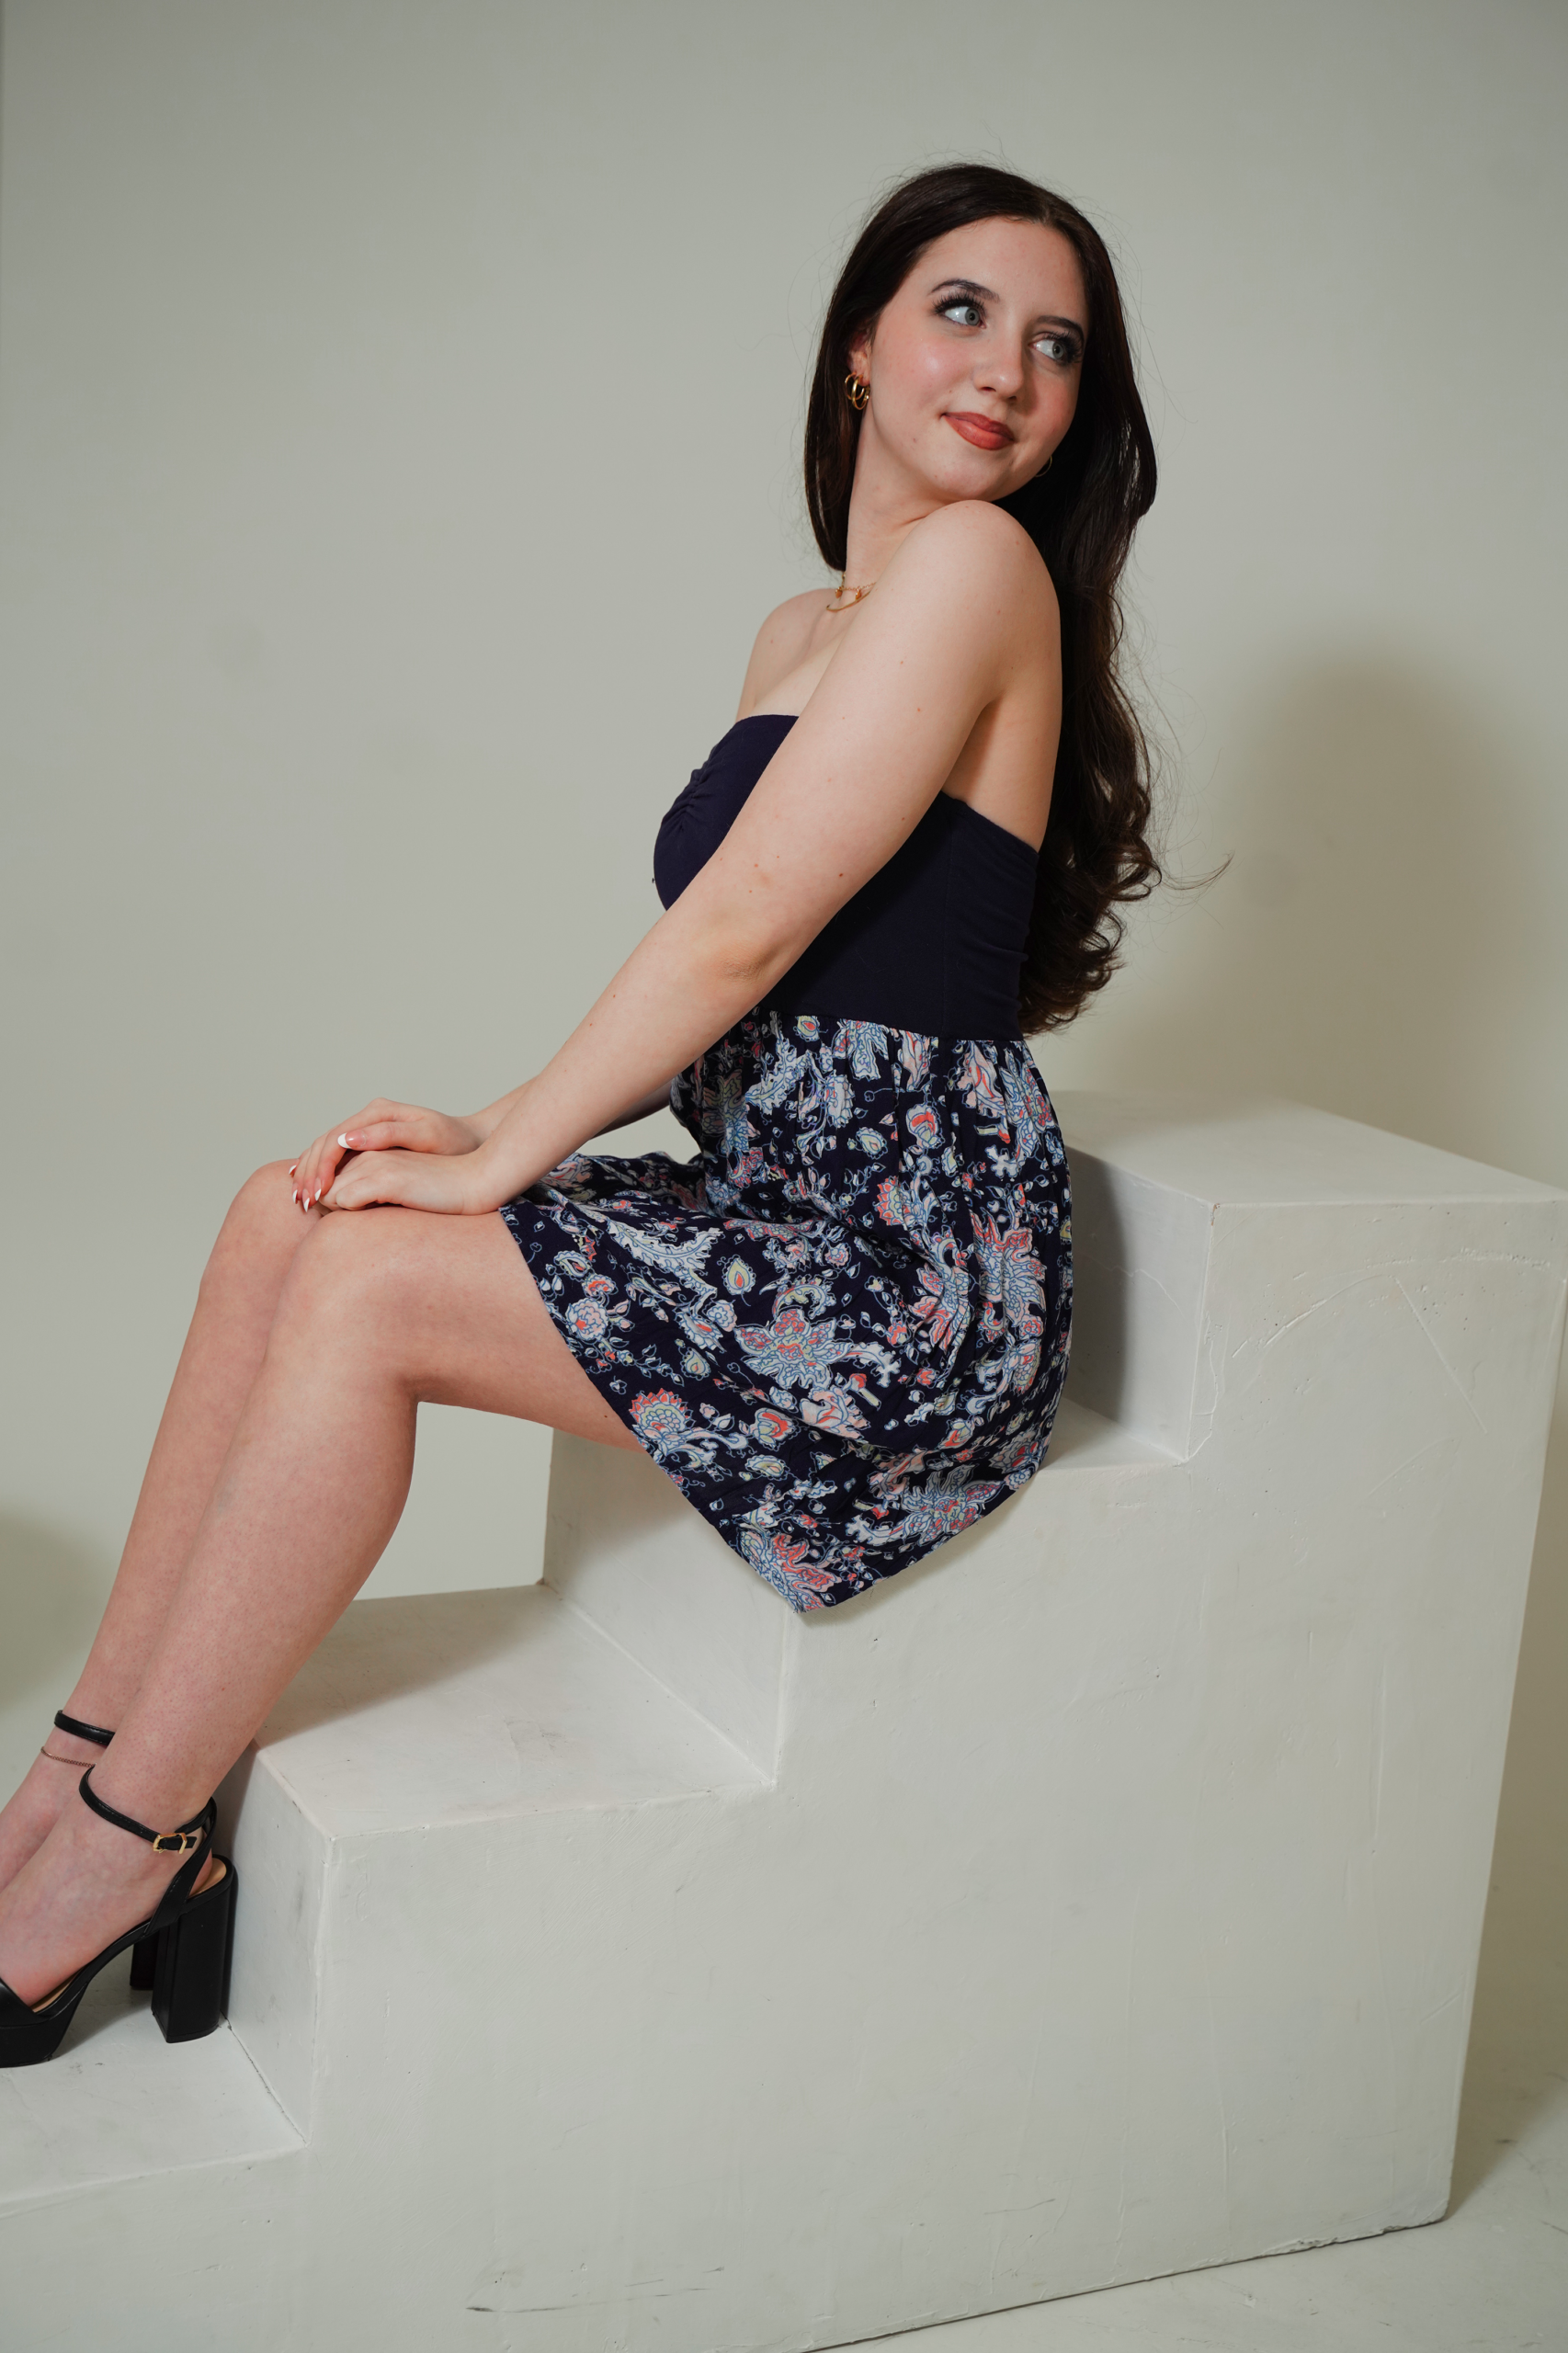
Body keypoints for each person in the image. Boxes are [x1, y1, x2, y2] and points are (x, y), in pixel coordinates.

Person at [0, 161, 1158, 2063]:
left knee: (375, 1288)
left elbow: (745, 921)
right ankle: (70, 1779)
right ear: (858, 345)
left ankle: (127, 1850)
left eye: (1055, 345)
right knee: (290, 1209)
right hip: (774, 1205)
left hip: (907, 1276)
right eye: (961, 311)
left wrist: (506, 1154)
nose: (1007, 372)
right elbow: (747, 972)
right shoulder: (802, 628)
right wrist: (479, 1130)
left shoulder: (980, 568)